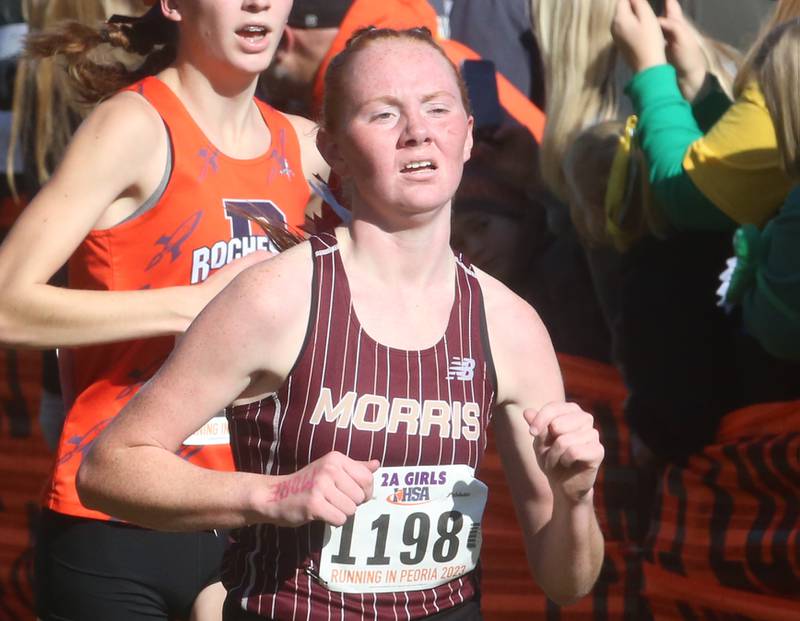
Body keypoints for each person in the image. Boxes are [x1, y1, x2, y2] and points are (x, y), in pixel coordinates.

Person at [77, 26, 605, 621]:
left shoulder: (511, 324)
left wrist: (576, 499)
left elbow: (567, 583)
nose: (417, 131)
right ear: (334, 149)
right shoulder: (279, 296)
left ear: (467, 136)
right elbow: (109, 468)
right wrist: (272, 495)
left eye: (438, 108)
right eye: (383, 114)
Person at [0, 0, 328, 619]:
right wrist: (193, 307)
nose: (258, 1)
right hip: (117, 516)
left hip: (251, 513)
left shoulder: (306, 147)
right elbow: (6, 304)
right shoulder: (134, 126)